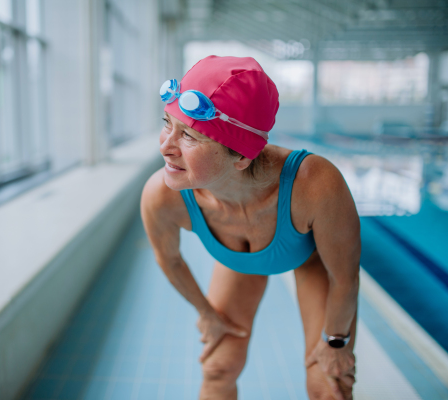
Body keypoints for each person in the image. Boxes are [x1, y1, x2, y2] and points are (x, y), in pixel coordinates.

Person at [140, 55, 359, 400]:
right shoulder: (162, 196)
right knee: (217, 368)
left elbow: (345, 278)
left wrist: (336, 341)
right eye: (167, 123)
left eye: (191, 137)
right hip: (239, 263)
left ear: (241, 156)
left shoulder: (315, 184)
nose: (166, 147)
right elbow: (169, 260)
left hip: (312, 260)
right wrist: (206, 313)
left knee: (328, 385)